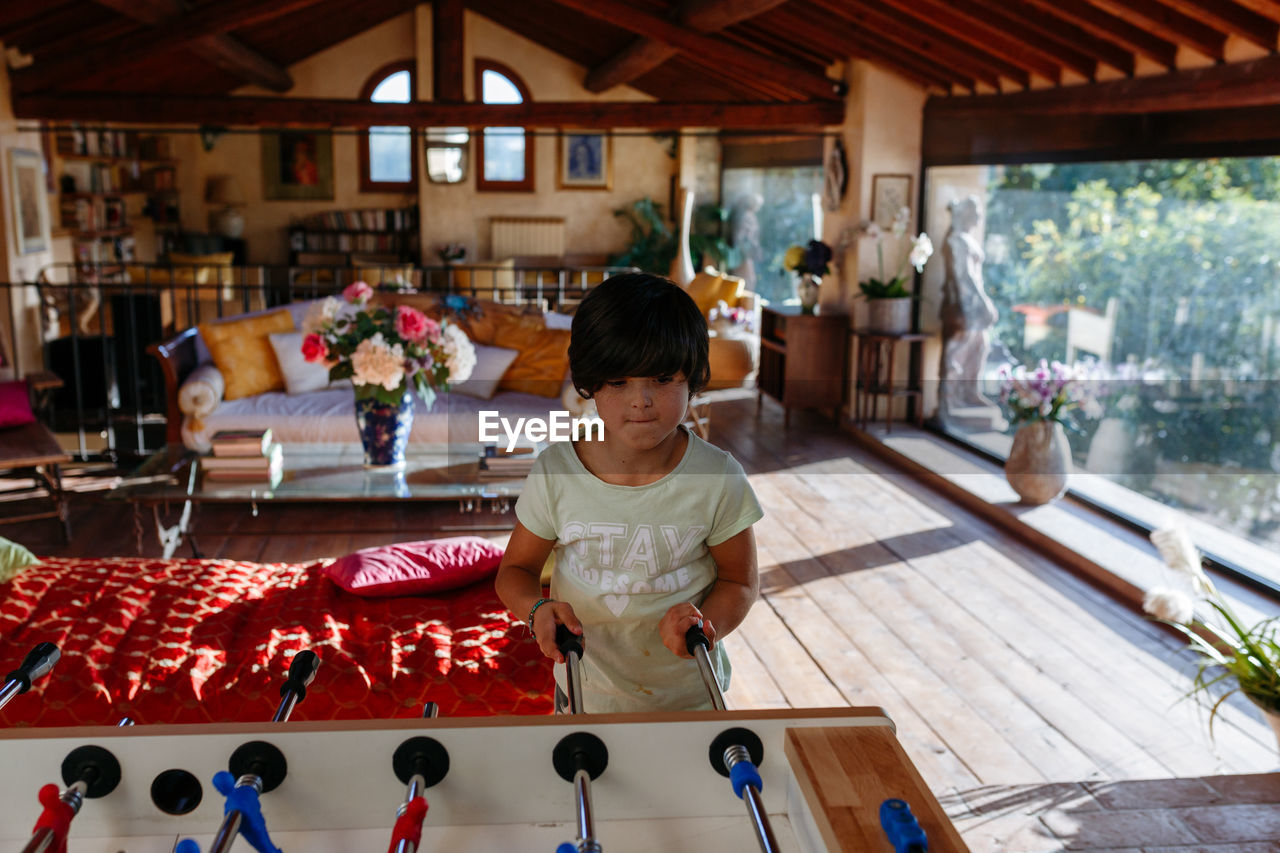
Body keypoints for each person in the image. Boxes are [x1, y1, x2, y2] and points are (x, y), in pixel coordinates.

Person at [494, 273, 764, 713]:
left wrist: (704, 623)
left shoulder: (717, 478)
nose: (641, 400)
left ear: (691, 378)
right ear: (590, 384)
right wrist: (537, 609)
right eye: (618, 382)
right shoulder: (557, 472)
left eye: (661, 379)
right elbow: (516, 571)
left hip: (692, 695)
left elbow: (740, 581)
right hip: (583, 693)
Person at [939, 195, 1000, 415]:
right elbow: (965, 275)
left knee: (980, 344)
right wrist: (984, 301)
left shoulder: (966, 238)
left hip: (973, 305)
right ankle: (951, 396)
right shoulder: (958, 240)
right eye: (975, 213)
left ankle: (969, 391)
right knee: (959, 348)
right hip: (964, 304)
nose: (978, 217)